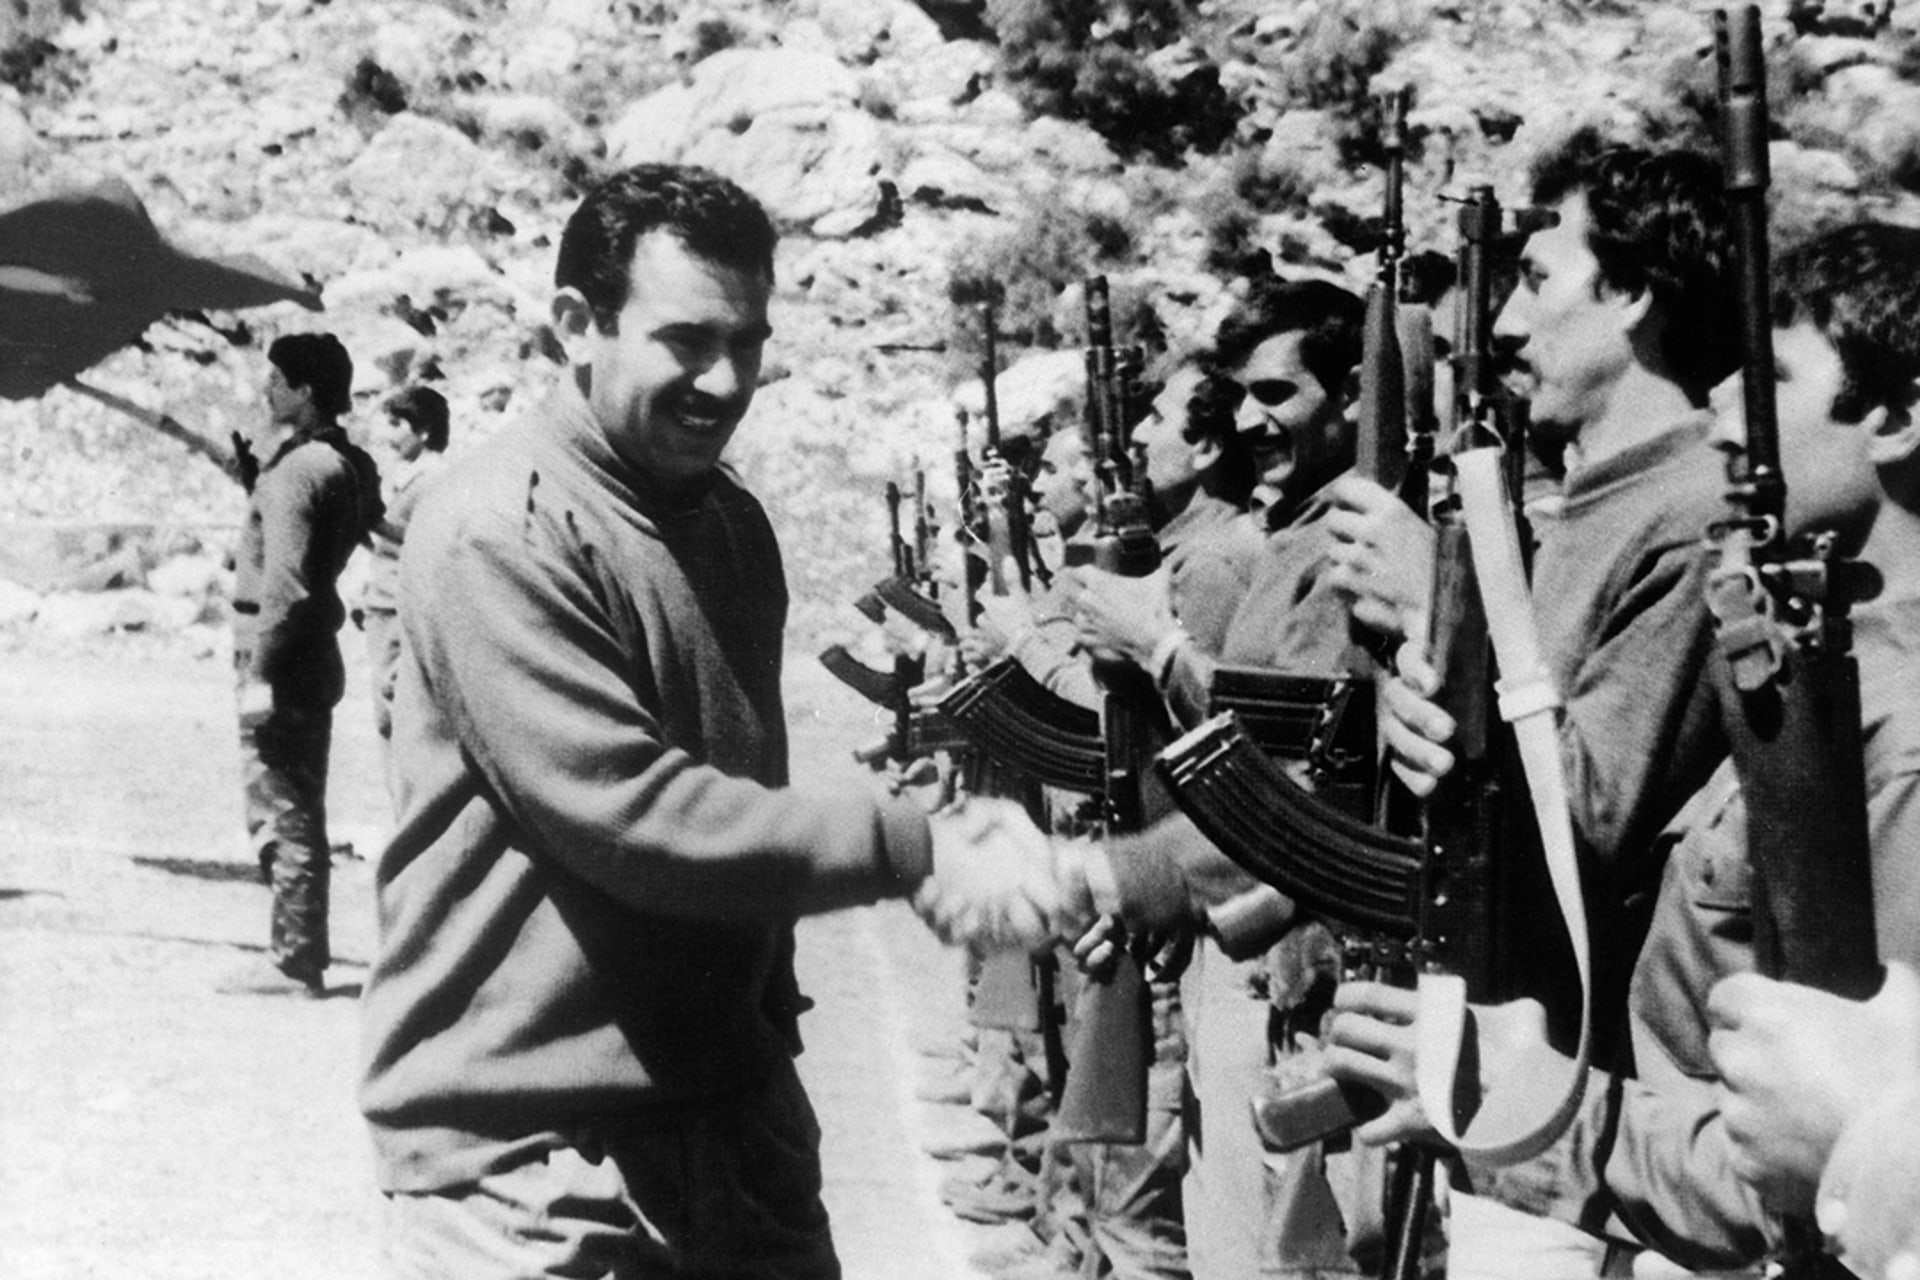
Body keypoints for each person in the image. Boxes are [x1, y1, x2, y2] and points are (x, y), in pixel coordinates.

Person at [357, 163, 1057, 1280]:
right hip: (535, 1162)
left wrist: (767, 1038)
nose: (725, 381)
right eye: (686, 340)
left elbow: (742, 788)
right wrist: (915, 844)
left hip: (733, 1122)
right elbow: (633, 818)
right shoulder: (501, 528)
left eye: (748, 342)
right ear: (576, 324)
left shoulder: (730, 524)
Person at [1327, 220, 1920, 1275]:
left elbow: (1845, 1166)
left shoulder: (1901, 737)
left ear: (1899, 419)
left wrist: (1529, 1107)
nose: (1722, 402)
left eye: (1773, 376)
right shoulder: (1827, 673)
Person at [1060, 276, 1379, 1280]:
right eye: (1241, 396)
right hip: (1249, 936)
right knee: (1222, 1227)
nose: (1248, 420)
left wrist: (1157, 647)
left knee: (1264, 1246)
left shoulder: (1348, 545)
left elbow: (1298, 772)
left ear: (1356, 394)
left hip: (1303, 963)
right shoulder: (1293, 535)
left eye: (1277, 394)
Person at [217, 331, 382, 999]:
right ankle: (298, 950)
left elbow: (285, 587)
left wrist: (260, 673)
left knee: (282, 807)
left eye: (279, 380)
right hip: (311, 654)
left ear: (306, 391)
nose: (268, 389)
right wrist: (258, 483)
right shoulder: (346, 463)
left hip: (280, 655)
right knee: (298, 801)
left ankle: (293, 961)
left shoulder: (298, 472)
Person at [356, 384, 449, 789]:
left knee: (395, 709)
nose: (387, 434)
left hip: (401, 604)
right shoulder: (406, 474)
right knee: (386, 711)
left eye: (396, 424)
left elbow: (422, 538)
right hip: (383, 600)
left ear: (424, 430)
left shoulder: (434, 477)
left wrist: (372, 519)